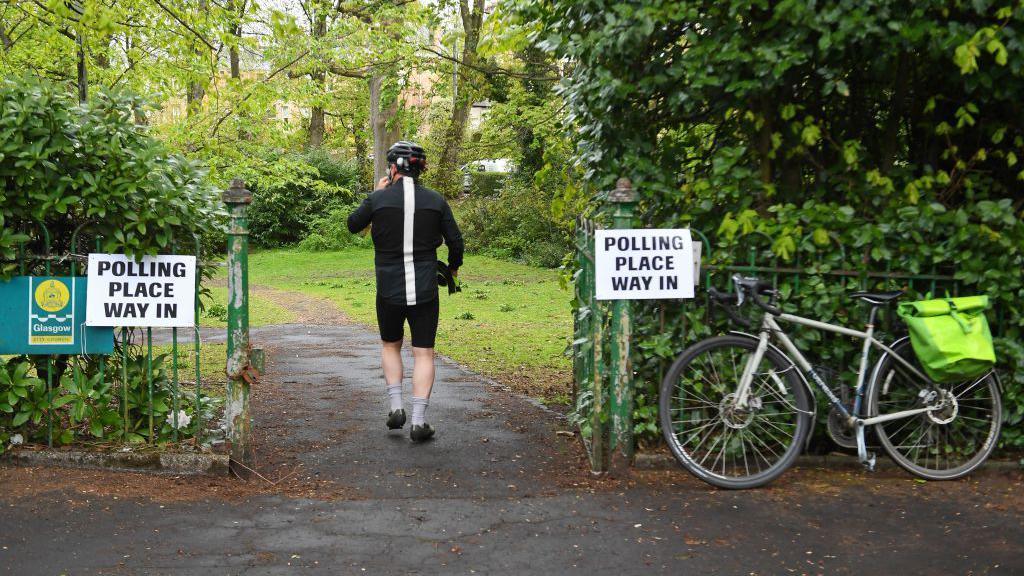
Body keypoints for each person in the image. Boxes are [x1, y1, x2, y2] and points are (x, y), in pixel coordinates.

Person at [346, 141, 464, 442]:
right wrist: (452, 269)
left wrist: (375, 193)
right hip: (425, 287)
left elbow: (352, 224)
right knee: (424, 352)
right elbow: (456, 241)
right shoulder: (436, 201)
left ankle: (396, 406)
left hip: (389, 288)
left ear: (394, 167)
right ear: (420, 168)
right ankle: (419, 421)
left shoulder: (379, 199)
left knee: (390, 345)